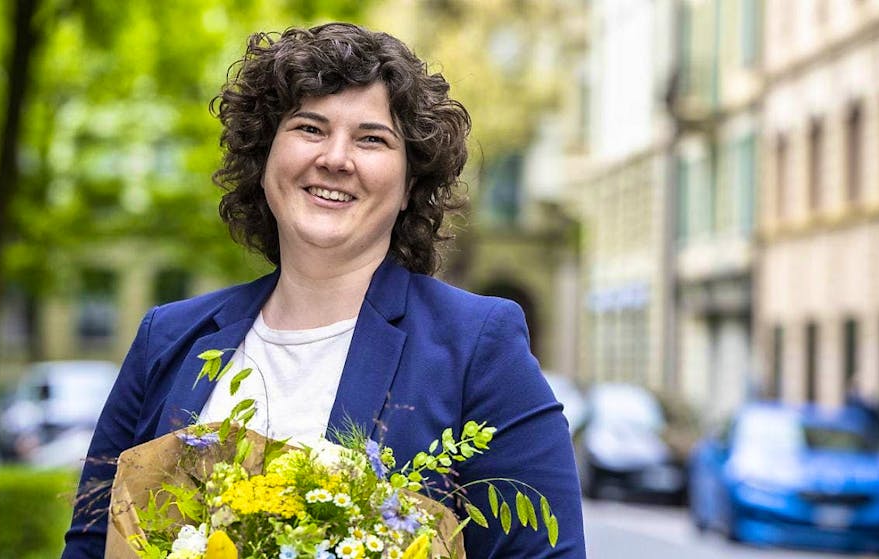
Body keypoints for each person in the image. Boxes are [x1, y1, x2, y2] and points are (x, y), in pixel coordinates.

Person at [63, 22, 585, 558]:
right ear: (264, 157)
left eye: (371, 138)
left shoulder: (477, 345)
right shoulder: (168, 337)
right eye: (310, 128)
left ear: (410, 184)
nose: (336, 158)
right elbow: (91, 545)